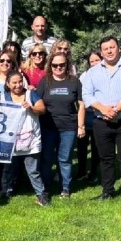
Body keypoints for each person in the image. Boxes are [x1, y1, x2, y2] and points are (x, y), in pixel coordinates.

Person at [82, 36, 121, 210]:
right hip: (102, 121)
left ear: (118, 48)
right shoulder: (92, 72)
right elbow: (87, 95)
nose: (109, 51)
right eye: (105, 49)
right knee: (106, 158)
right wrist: (103, 109)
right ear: (101, 52)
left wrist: (116, 109)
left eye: (112, 47)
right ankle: (107, 190)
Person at [37, 50, 85, 198]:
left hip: (68, 127)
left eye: (62, 65)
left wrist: (80, 126)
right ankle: (45, 188)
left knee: (65, 159)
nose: (58, 68)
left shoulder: (74, 81)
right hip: (48, 127)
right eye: (55, 65)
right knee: (47, 158)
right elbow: (37, 102)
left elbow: (81, 105)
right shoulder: (45, 81)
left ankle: (65, 188)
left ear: (67, 65)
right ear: (50, 65)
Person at [1, 71, 48, 205]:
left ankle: (41, 195)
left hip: (30, 139)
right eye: (14, 83)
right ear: (8, 84)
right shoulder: (3, 97)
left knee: (33, 170)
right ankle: (5, 191)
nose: (18, 85)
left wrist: (31, 107)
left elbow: (42, 109)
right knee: (8, 169)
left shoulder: (30, 94)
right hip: (11, 140)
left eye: (20, 81)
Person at [76, 51, 102, 183]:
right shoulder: (84, 76)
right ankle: (81, 171)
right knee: (82, 145)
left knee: (96, 146)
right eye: (92, 61)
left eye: (97, 60)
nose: (94, 63)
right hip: (86, 114)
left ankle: (93, 172)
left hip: (99, 115)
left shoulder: (106, 74)